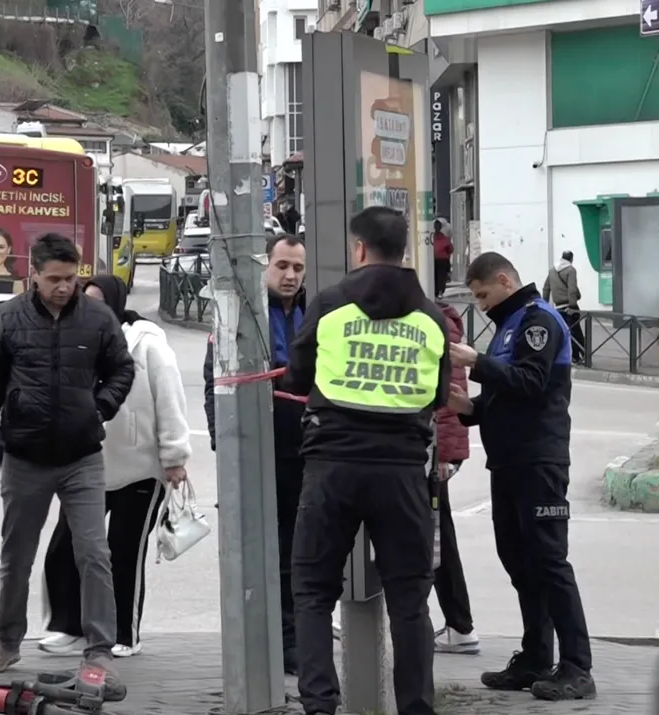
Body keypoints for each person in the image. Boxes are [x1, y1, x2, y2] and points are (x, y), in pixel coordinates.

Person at [283, 206, 449, 715]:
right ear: (404, 251)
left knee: (313, 590)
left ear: (358, 249)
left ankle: (320, 705)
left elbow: (297, 377)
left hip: (332, 465)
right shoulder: (431, 317)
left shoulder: (330, 305)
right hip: (402, 471)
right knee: (409, 601)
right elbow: (438, 396)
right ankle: (416, 708)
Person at [0, 234, 136, 678]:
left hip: (82, 457)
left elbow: (122, 369)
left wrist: (99, 408)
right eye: (54, 279)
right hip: (24, 457)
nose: (64, 287)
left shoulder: (98, 318)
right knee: (16, 557)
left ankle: (100, 648)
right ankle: (7, 641)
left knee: (94, 554)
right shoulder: (8, 319)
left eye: (71, 278)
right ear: (33, 274)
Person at [448, 251, 594, 701]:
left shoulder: (538, 320)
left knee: (548, 561)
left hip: (539, 462)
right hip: (508, 462)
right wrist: (469, 408)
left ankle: (577, 667)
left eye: (483, 295)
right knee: (519, 561)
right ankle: (535, 657)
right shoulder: (508, 326)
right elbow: (505, 395)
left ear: (504, 280)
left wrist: (476, 362)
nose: (481, 305)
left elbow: (531, 382)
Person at [39, 274, 191, 658]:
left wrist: (174, 457)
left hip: (140, 470)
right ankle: (69, 627)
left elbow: (170, 399)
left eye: (98, 301)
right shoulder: (76, 341)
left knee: (124, 553)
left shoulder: (147, 344)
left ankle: (125, 633)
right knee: (65, 548)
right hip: (89, 468)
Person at [203, 231, 307, 674]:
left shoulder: (313, 311)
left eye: (298, 268)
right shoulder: (244, 314)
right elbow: (215, 383)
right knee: (264, 549)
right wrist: (223, 443)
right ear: (265, 266)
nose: (290, 276)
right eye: (282, 266)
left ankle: (295, 637)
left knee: (299, 549)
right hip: (258, 449)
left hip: (306, 450)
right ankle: (271, 639)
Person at [431, 299, 478, 655]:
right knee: (437, 535)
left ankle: (460, 625)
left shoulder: (435, 321)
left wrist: (444, 456)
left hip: (432, 455)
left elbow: (448, 396)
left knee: (437, 539)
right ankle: (459, 624)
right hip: (432, 452)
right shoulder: (440, 318)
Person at [543, 250, 585, 362]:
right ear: (571, 259)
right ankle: (580, 355)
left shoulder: (552, 271)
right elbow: (572, 289)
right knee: (576, 331)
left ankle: (574, 355)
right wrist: (572, 306)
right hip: (569, 306)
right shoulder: (571, 270)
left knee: (566, 332)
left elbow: (546, 288)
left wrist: (544, 304)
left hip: (558, 308)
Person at [433, 218, 454, 297]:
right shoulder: (444, 237)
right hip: (443, 260)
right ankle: (440, 291)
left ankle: (436, 291)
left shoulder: (432, 236)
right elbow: (450, 249)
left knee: (435, 276)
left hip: (434, 259)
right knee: (441, 276)